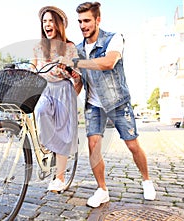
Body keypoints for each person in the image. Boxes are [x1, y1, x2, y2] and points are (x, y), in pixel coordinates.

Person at [59, 2, 156, 207]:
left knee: (132, 144)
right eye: (80, 22)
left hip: (117, 102)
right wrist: (68, 75)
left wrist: (75, 63)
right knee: (93, 145)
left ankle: (146, 180)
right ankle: (102, 190)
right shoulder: (77, 49)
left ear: (98, 20)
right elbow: (78, 80)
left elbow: (108, 62)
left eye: (87, 21)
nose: (83, 25)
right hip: (93, 104)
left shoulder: (114, 38)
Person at [32, 6, 82, 192]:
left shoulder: (70, 47)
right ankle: (49, 149)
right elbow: (32, 67)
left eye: (51, 21)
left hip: (63, 90)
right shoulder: (38, 47)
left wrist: (68, 68)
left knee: (63, 132)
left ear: (59, 24)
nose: (47, 24)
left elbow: (78, 76)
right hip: (45, 90)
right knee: (40, 110)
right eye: (45, 21)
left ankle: (59, 178)